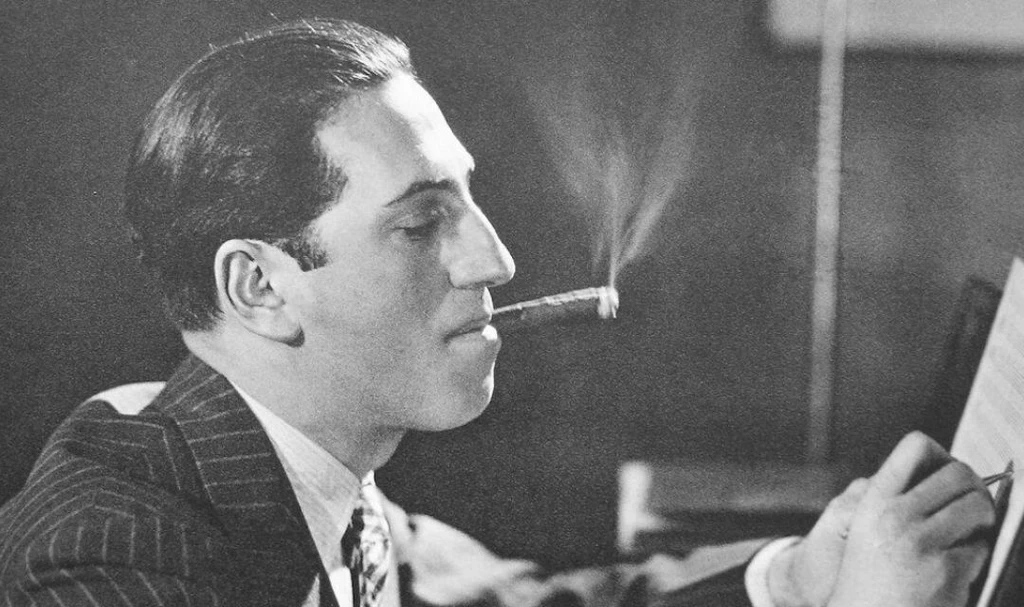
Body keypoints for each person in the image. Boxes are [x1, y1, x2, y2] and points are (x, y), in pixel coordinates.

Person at [0, 18, 996, 607]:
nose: (496, 258)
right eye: (420, 222)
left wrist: (794, 580)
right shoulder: (111, 547)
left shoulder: (325, 484)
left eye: (467, 201)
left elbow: (527, 602)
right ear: (260, 287)